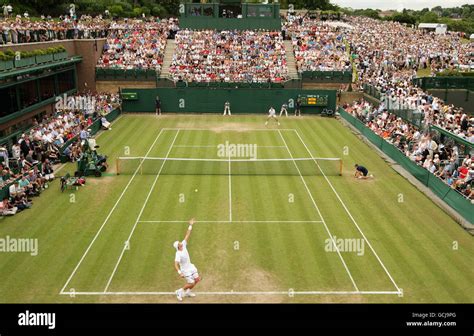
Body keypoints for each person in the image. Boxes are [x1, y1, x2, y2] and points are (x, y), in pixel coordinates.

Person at [174, 218, 200, 301]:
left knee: (197, 279)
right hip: (185, 270)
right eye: (179, 243)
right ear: (178, 247)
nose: (180, 243)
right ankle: (179, 291)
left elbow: (187, 235)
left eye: (179, 242)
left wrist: (191, 225)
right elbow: (175, 264)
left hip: (190, 266)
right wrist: (180, 272)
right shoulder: (178, 254)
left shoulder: (183, 244)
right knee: (191, 282)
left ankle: (188, 292)